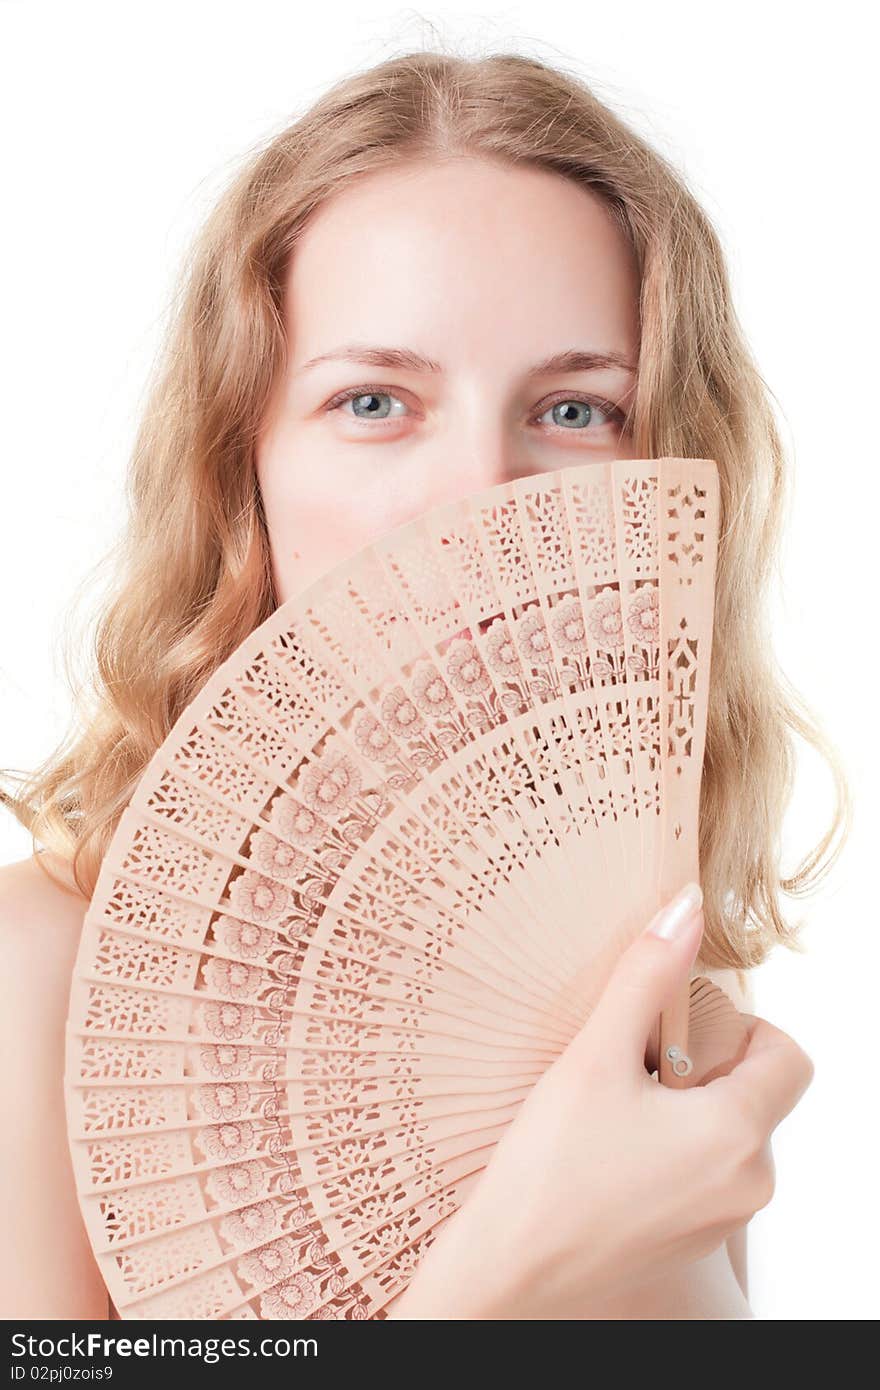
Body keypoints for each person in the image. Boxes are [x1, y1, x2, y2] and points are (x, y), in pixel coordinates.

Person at [0, 49, 848, 1320]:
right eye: (376, 400)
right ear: (248, 465)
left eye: (575, 411)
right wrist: (519, 1261)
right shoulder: (43, 975)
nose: (478, 496)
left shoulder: (641, 959)